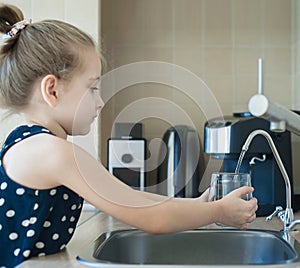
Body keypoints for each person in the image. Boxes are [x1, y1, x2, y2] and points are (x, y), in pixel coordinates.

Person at [0, 3, 258, 267]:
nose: (100, 102)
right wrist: (217, 211)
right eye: (92, 88)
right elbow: (152, 217)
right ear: (52, 90)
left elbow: (128, 196)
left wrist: (197, 205)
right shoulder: (51, 152)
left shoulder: (33, 144)